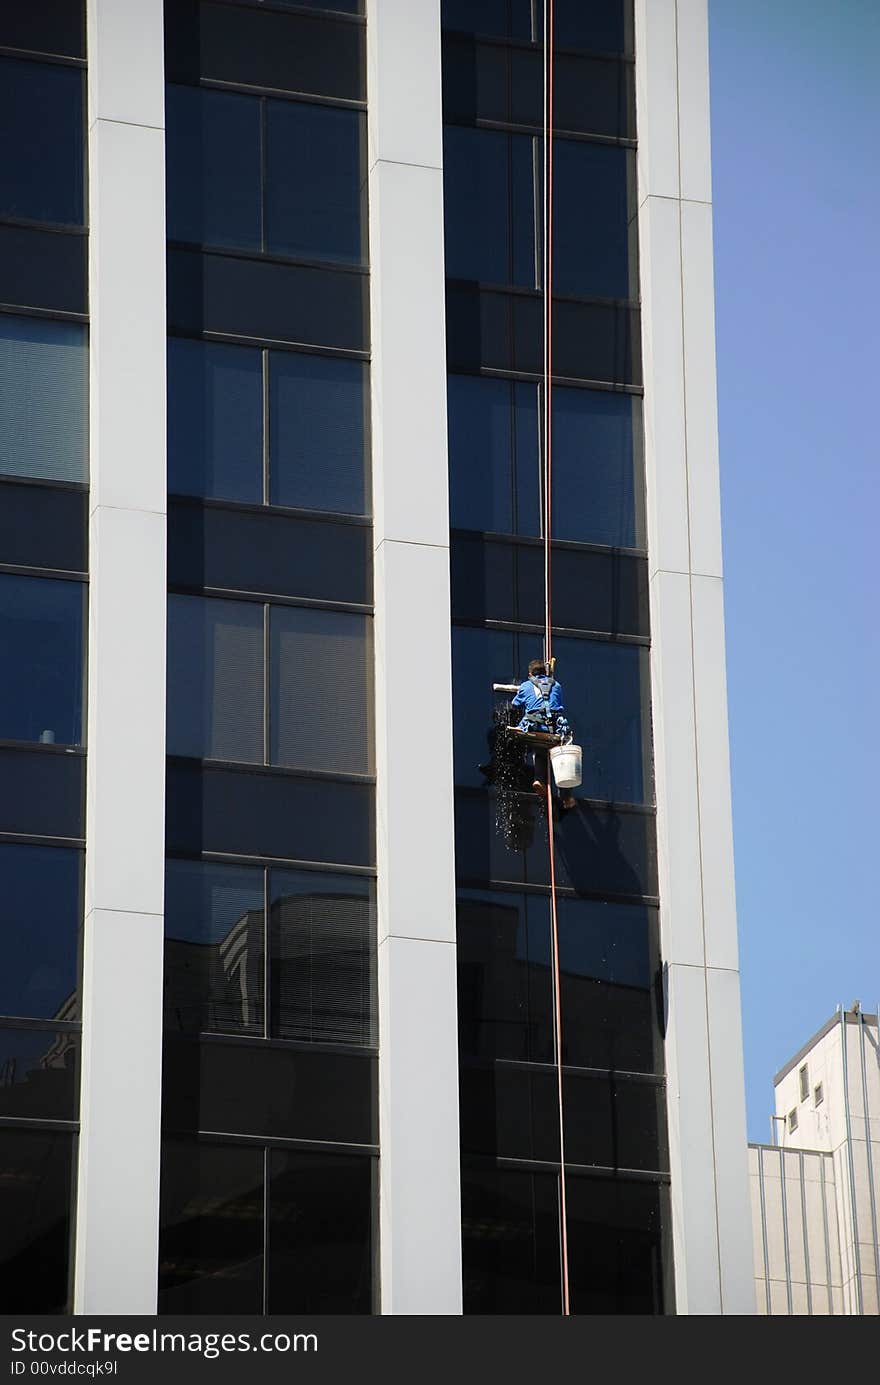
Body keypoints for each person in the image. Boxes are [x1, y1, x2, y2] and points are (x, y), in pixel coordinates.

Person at [511, 659, 574, 806]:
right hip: (553, 729)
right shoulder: (556, 685)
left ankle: (539, 779)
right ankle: (566, 797)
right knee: (562, 755)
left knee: (539, 750)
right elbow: (557, 704)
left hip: (534, 727)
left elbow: (515, 704)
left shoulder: (526, 686)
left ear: (530, 673)